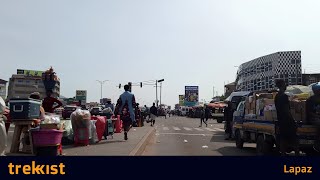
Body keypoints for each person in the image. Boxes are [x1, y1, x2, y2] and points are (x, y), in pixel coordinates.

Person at [274, 79, 299, 156]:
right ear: (281, 85)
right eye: (285, 84)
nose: (286, 86)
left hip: (281, 120)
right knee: (294, 139)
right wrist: (293, 120)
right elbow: (286, 110)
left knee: (283, 139)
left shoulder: (277, 96)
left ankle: (283, 154)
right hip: (287, 121)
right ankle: (297, 154)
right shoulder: (284, 96)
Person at [306, 83, 320, 152]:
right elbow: (309, 113)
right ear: (315, 91)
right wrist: (317, 116)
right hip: (312, 118)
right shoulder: (310, 100)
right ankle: (317, 143)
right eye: (319, 90)